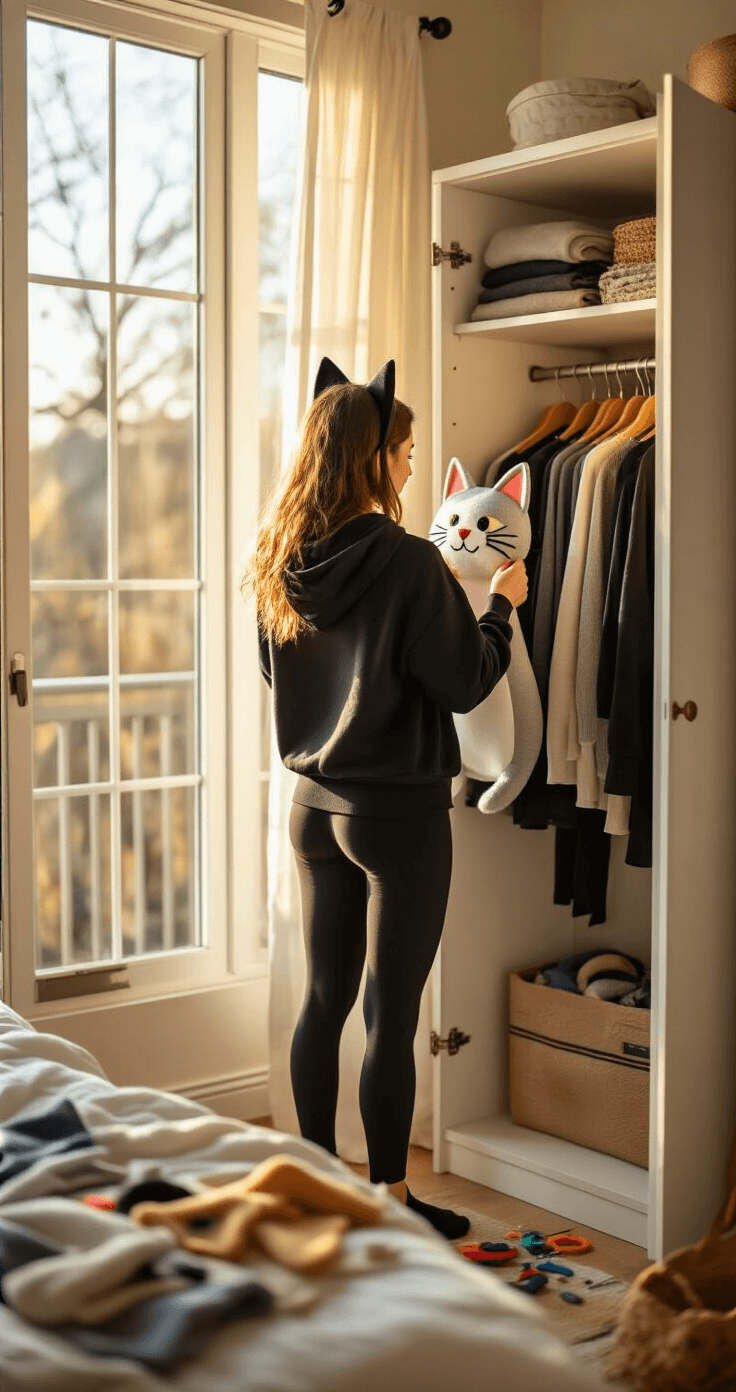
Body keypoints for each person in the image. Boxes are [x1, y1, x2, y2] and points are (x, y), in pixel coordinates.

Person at [248, 357, 527, 1239]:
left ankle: (319, 1187)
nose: (413, 464)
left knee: (322, 997)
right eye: (405, 449)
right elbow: (461, 682)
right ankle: (394, 1207)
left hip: (310, 808)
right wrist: (501, 612)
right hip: (396, 815)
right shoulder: (411, 563)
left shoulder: (278, 554)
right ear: (373, 457)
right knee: (390, 1012)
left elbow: (272, 672)